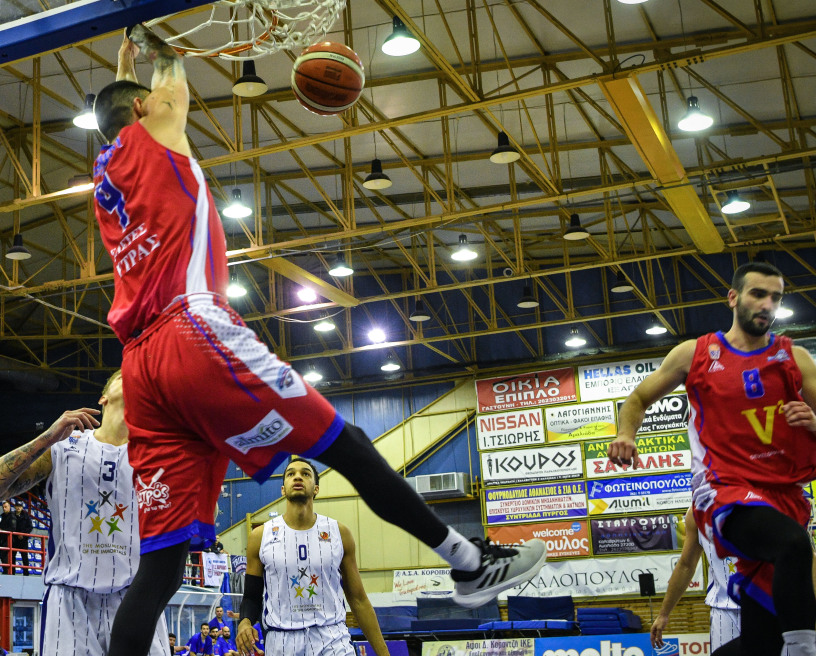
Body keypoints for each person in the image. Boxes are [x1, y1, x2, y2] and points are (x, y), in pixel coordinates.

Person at [85, 24, 545, 656]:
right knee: (346, 443)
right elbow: (168, 87)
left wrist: (122, 63)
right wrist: (157, 38)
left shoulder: (103, 176)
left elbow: (117, 105)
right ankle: (468, 564)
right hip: (188, 330)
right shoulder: (152, 130)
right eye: (146, 100)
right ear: (140, 108)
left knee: (159, 568)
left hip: (139, 368)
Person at [608, 261, 816, 656]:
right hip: (724, 489)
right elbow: (637, 398)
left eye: (776, 298)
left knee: (761, 642)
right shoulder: (696, 353)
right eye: (758, 294)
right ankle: (806, 649)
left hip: (783, 494)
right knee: (793, 545)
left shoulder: (796, 359)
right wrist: (625, 434)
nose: (767, 304)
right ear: (733, 298)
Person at [0, 371, 169, 656]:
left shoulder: (158, 456)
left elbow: (204, 516)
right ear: (104, 397)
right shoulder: (62, 447)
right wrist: (47, 437)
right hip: (69, 599)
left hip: (135, 594)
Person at [237, 458, 388, 656]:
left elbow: (358, 599)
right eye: (291, 474)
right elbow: (251, 596)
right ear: (283, 489)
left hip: (332, 638)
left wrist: (384, 653)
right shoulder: (260, 536)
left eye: (305, 473)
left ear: (316, 489)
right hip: (282, 641)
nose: (297, 476)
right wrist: (244, 621)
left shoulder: (339, 533)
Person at [651, 507, 740, 652]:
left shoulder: (766, 499)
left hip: (767, 604)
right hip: (723, 608)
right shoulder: (696, 511)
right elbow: (686, 565)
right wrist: (663, 614)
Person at [0, 501, 33, 575]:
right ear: (15, 507)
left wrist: (23, 534)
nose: (18, 507)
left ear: (22, 507)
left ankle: (26, 573)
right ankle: (12, 572)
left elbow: (30, 527)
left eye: (20, 506)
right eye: (17, 506)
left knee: (24, 557)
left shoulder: (26, 516)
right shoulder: (12, 515)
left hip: (23, 540)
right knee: (12, 556)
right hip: (14, 539)